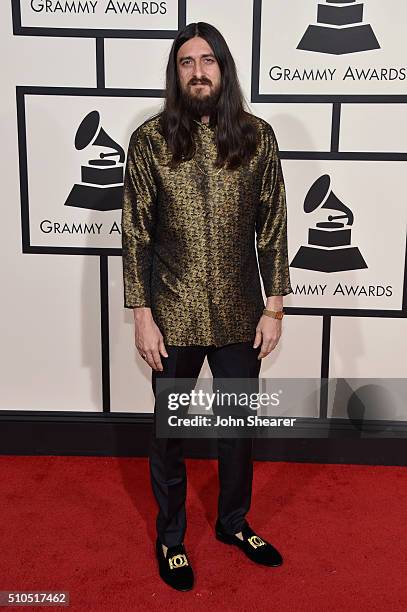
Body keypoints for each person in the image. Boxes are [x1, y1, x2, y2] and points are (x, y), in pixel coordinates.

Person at [121, 21, 293, 592]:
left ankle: (233, 523)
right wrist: (141, 313)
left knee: (237, 429)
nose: (198, 71)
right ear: (176, 73)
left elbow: (272, 226)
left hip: (242, 311)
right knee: (169, 432)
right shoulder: (149, 141)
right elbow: (136, 234)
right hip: (171, 312)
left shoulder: (256, 137)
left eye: (208, 60)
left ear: (225, 68)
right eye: (186, 62)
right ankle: (170, 538)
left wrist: (275, 305)